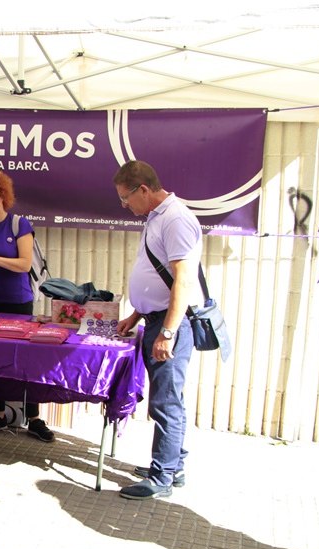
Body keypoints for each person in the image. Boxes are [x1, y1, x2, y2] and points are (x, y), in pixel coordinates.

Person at [113, 160, 204, 500]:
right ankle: (172, 463)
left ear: (144, 190)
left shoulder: (176, 219)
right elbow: (158, 274)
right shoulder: (157, 217)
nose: (124, 205)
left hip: (170, 324)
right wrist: (137, 315)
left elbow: (183, 279)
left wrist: (168, 333)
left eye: (126, 198)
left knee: (166, 401)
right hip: (154, 319)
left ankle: (162, 476)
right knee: (166, 397)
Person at [0, 168, 54, 442]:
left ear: (4, 197)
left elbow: (25, 264)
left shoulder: (19, 225)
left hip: (16, 302)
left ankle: (34, 417)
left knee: (25, 359)